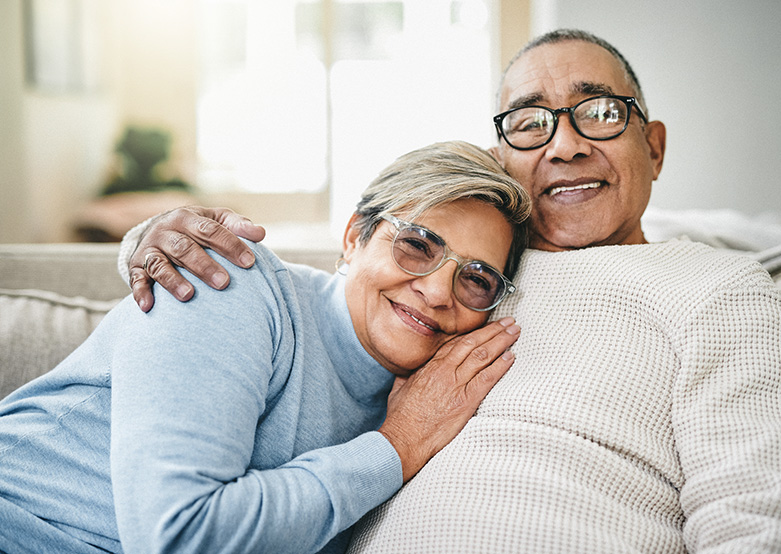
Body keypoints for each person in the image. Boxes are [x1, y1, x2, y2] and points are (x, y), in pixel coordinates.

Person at [115, 30, 781, 552]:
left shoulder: (718, 288)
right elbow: (329, 287)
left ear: (654, 146)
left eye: (601, 111)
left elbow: (767, 519)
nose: (564, 145)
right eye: (529, 123)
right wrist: (156, 237)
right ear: (501, 163)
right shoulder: (461, 287)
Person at [0, 141, 532, 553]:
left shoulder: (436, 398)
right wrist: (396, 447)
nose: (439, 291)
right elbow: (179, 537)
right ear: (353, 236)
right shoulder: (227, 279)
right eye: (417, 244)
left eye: (477, 279)